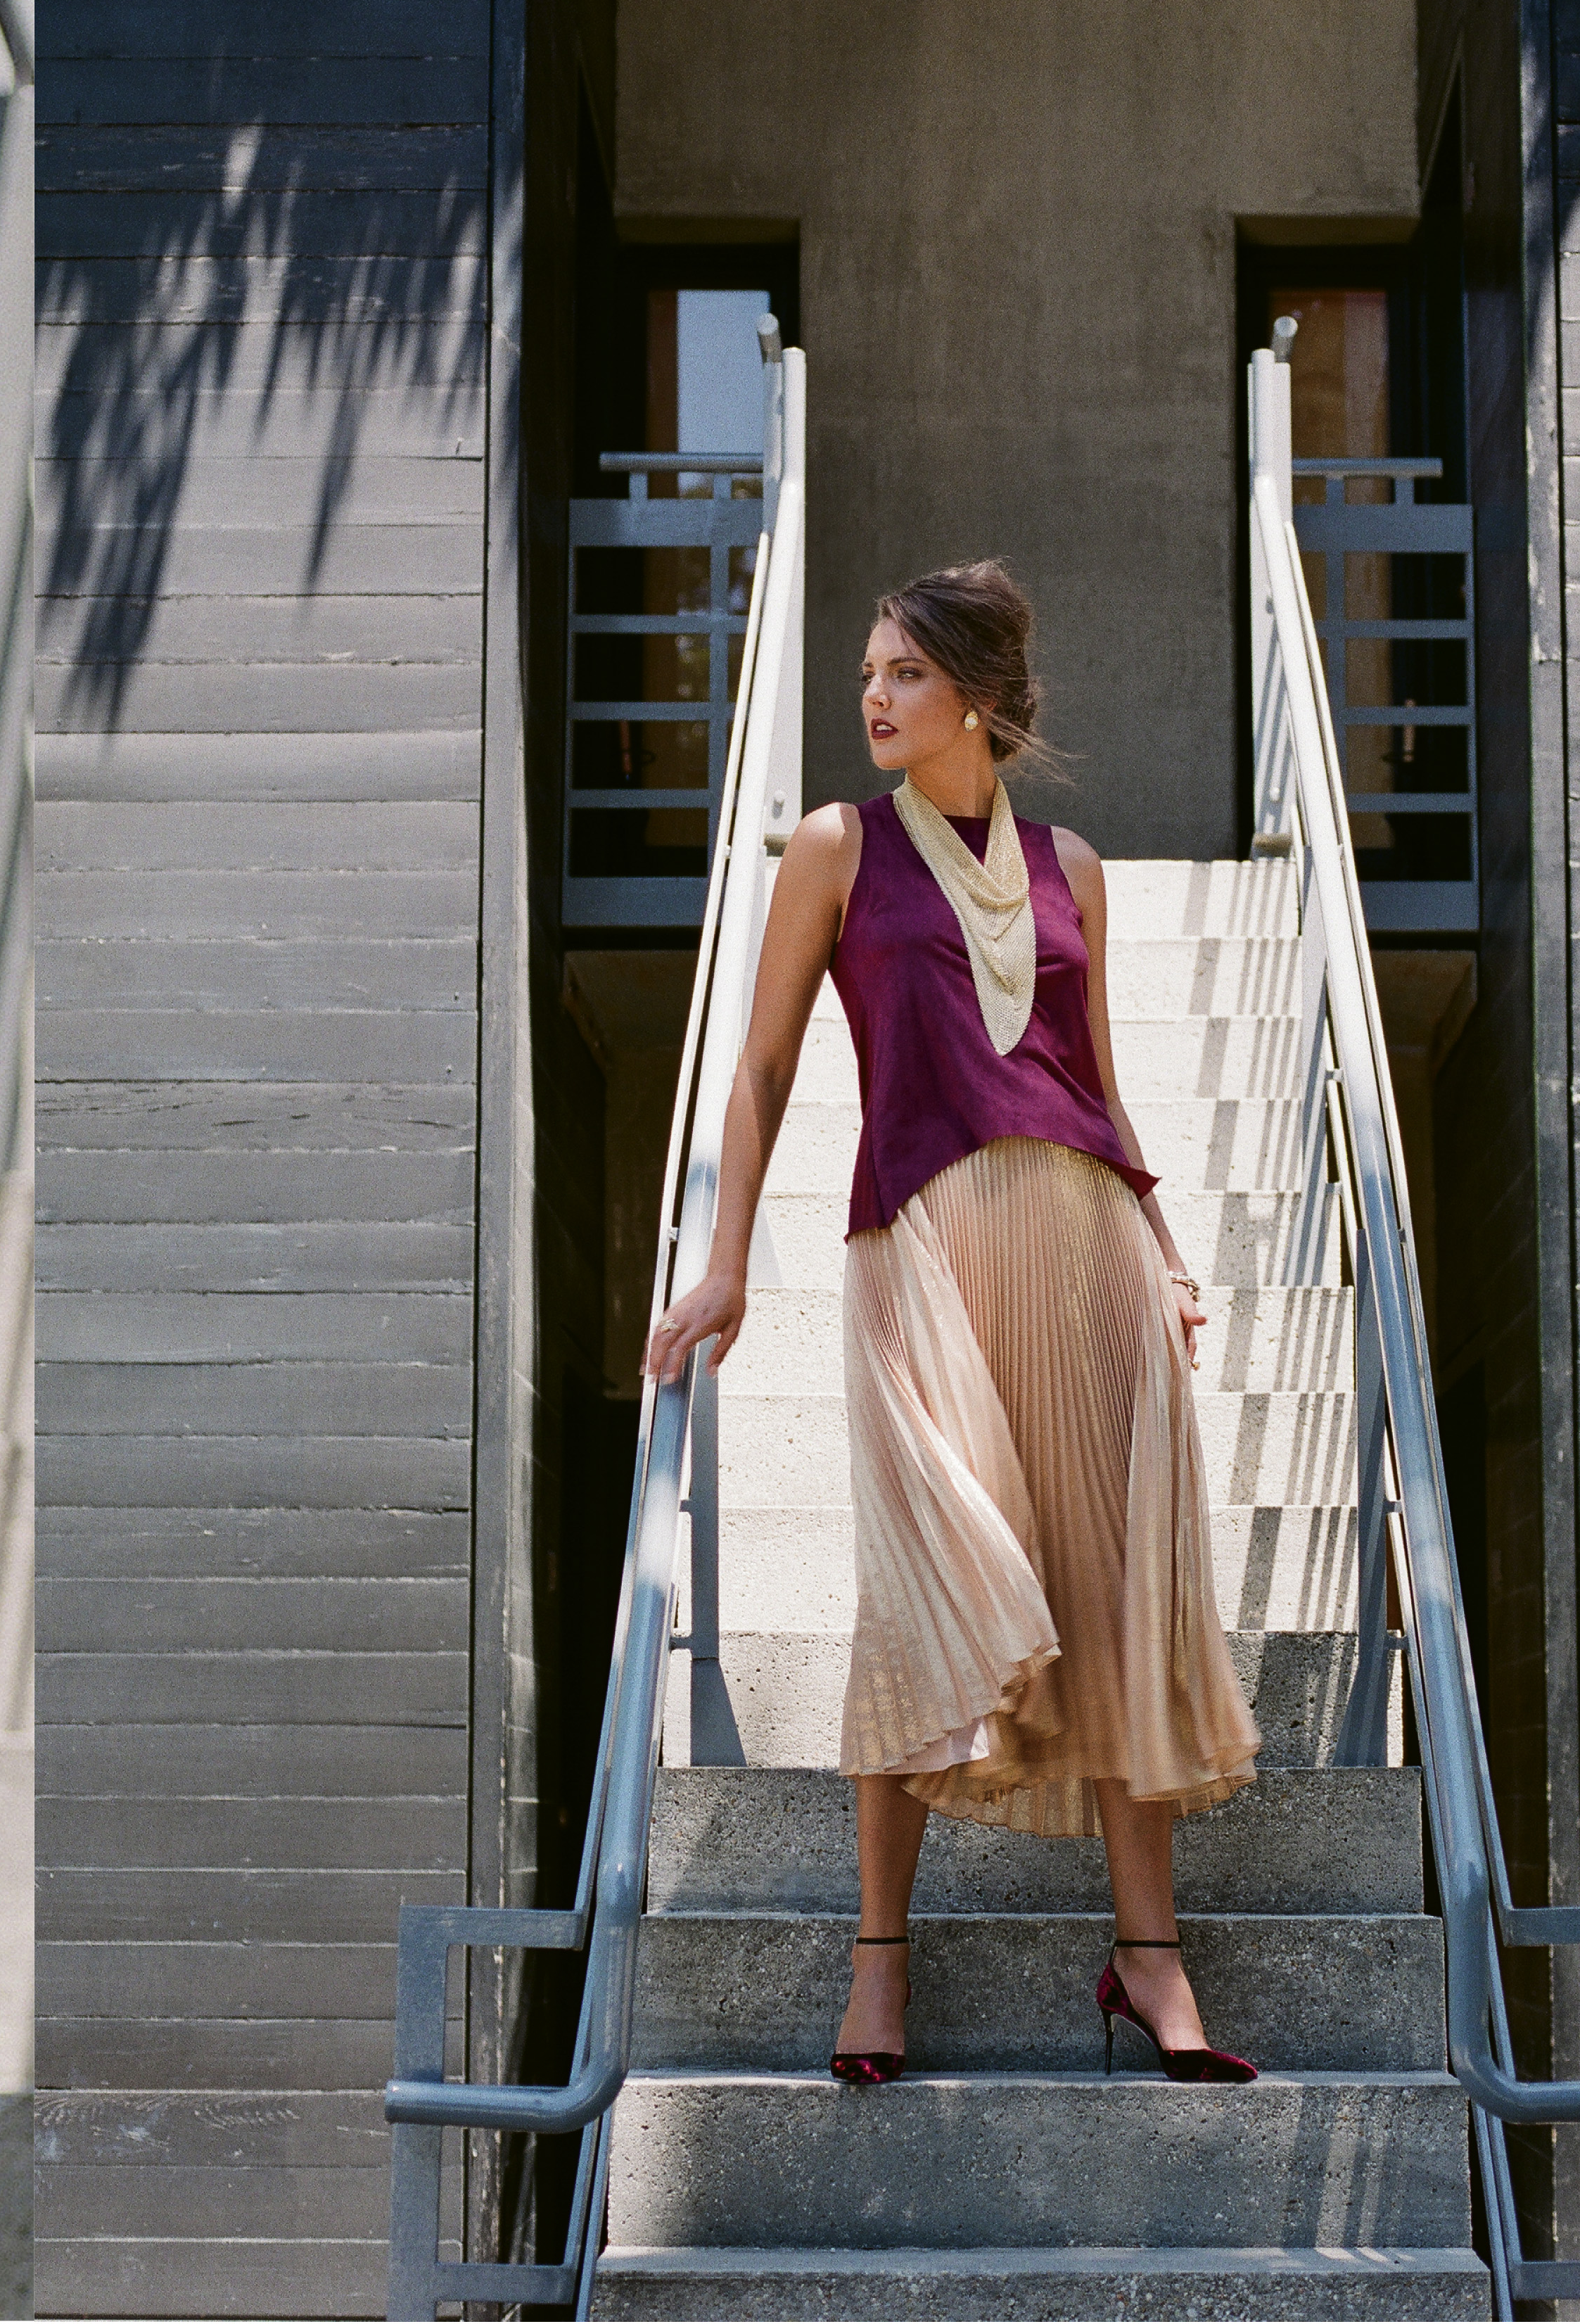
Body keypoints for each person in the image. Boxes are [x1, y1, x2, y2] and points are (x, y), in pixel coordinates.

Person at [641, 559, 1266, 2088]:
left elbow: (1097, 1080)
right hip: (921, 1246)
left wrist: (1165, 1248)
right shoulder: (835, 847)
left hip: (1089, 1246)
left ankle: (1149, 1956)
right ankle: (879, 1961)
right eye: (868, 671)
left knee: (1115, 1592)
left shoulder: (1073, 868)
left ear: (975, 698)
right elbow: (764, 1068)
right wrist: (725, 1263)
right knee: (924, 1585)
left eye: (904, 672)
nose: (872, 695)